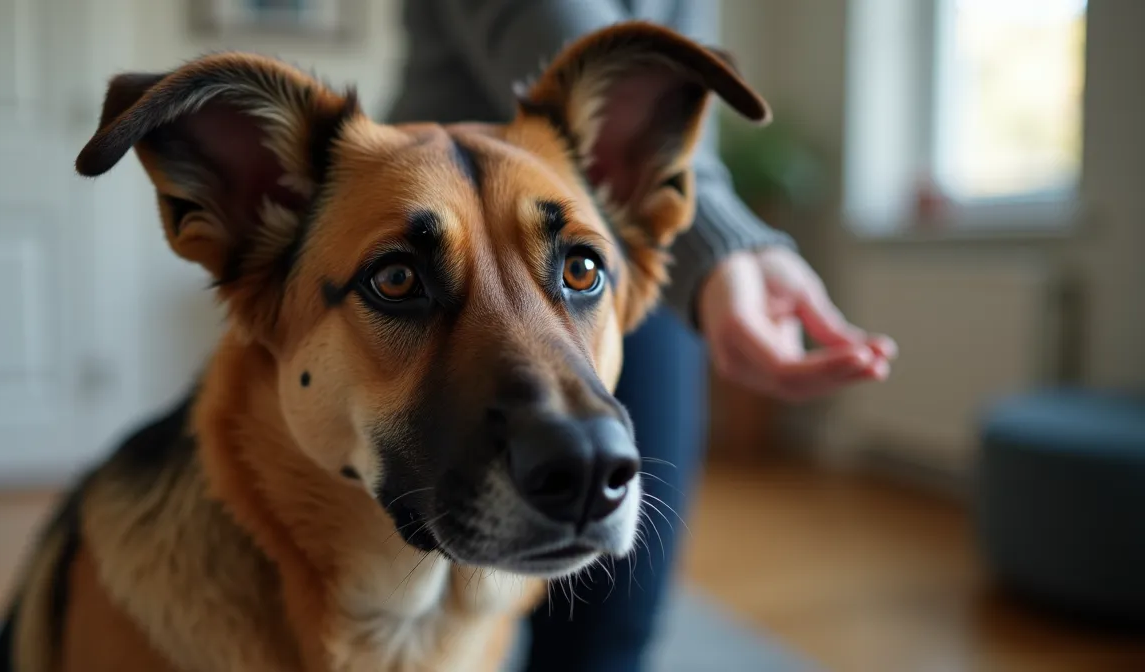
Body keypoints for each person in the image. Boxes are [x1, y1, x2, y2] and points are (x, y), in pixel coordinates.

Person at [384, 1, 897, 670]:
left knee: (616, 617)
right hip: (417, 204)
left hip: (617, 237)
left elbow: (673, 78)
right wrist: (723, 239)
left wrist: (696, 233)